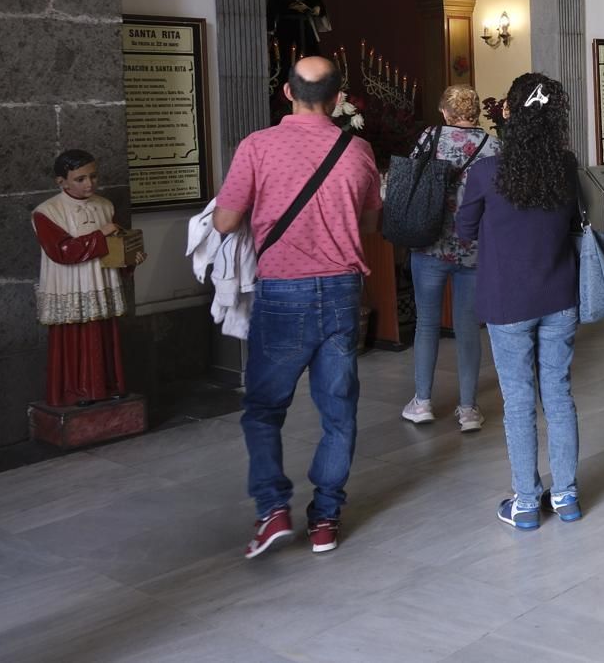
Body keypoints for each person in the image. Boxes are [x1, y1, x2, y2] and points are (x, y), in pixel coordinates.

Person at [214, 56, 383, 558]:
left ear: (286, 93)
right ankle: (326, 518)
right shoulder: (359, 150)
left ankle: (273, 510)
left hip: (283, 292)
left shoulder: (258, 147)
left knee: (264, 408)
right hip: (341, 291)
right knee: (339, 411)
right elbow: (371, 226)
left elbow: (224, 222)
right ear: (337, 98)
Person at [457, 73, 583, 530]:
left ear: (508, 113)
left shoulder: (488, 172)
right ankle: (566, 496)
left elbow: (464, 230)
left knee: (518, 400)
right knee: (559, 394)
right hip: (559, 296)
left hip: (508, 301)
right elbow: (573, 222)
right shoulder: (566, 168)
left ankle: (527, 503)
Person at [401, 85, 499, 431]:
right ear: (476, 112)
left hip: (429, 243)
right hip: (473, 247)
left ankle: (423, 402)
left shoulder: (431, 137)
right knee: (468, 327)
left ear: (445, 112)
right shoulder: (493, 146)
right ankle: (469, 409)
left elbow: (409, 178)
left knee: (427, 323)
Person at [31, 150, 147, 406]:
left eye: (93, 176)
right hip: (71, 283)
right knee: (75, 337)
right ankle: (77, 391)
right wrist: (101, 233)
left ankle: (108, 386)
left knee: (105, 335)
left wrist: (129, 259)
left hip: (101, 280)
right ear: (61, 181)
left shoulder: (105, 206)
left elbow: (115, 246)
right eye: (80, 179)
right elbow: (62, 251)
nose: (90, 184)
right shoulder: (47, 212)